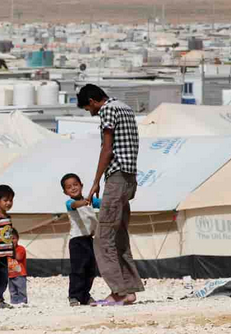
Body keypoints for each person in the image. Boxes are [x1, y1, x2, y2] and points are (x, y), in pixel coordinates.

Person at [76, 84, 144, 306]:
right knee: (119, 236)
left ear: (93, 101)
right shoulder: (125, 107)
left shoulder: (107, 110)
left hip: (116, 176)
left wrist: (96, 181)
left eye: (88, 108)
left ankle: (119, 291)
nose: (91, 112)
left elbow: (107, 149)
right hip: (130, 177)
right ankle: (129, 289)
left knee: (103, 237)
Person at [61, 173, 100, 306]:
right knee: (78, 269)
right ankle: (74, 295)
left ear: (81, 185)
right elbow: (75, 205)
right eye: (69, 187)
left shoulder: (91, 201)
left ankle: (85, 295)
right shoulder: (70, 203)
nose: (73, 188)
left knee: (90, 269)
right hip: (77, 241)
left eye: (75, 185)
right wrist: (84, 202)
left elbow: (104, 202)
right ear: (65, 192)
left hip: (89, 239)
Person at [7, 228, 28, 306]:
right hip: (10, 274)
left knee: (21, 290)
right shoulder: (7, 251)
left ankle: (23, 302)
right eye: (9, 239)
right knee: (12, 291)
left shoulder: (21, 249)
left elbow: (18, 257)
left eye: (13, 238)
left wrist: (11, 249)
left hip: (20, 274)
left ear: (17, 238)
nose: (12, 241)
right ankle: (14, 303)